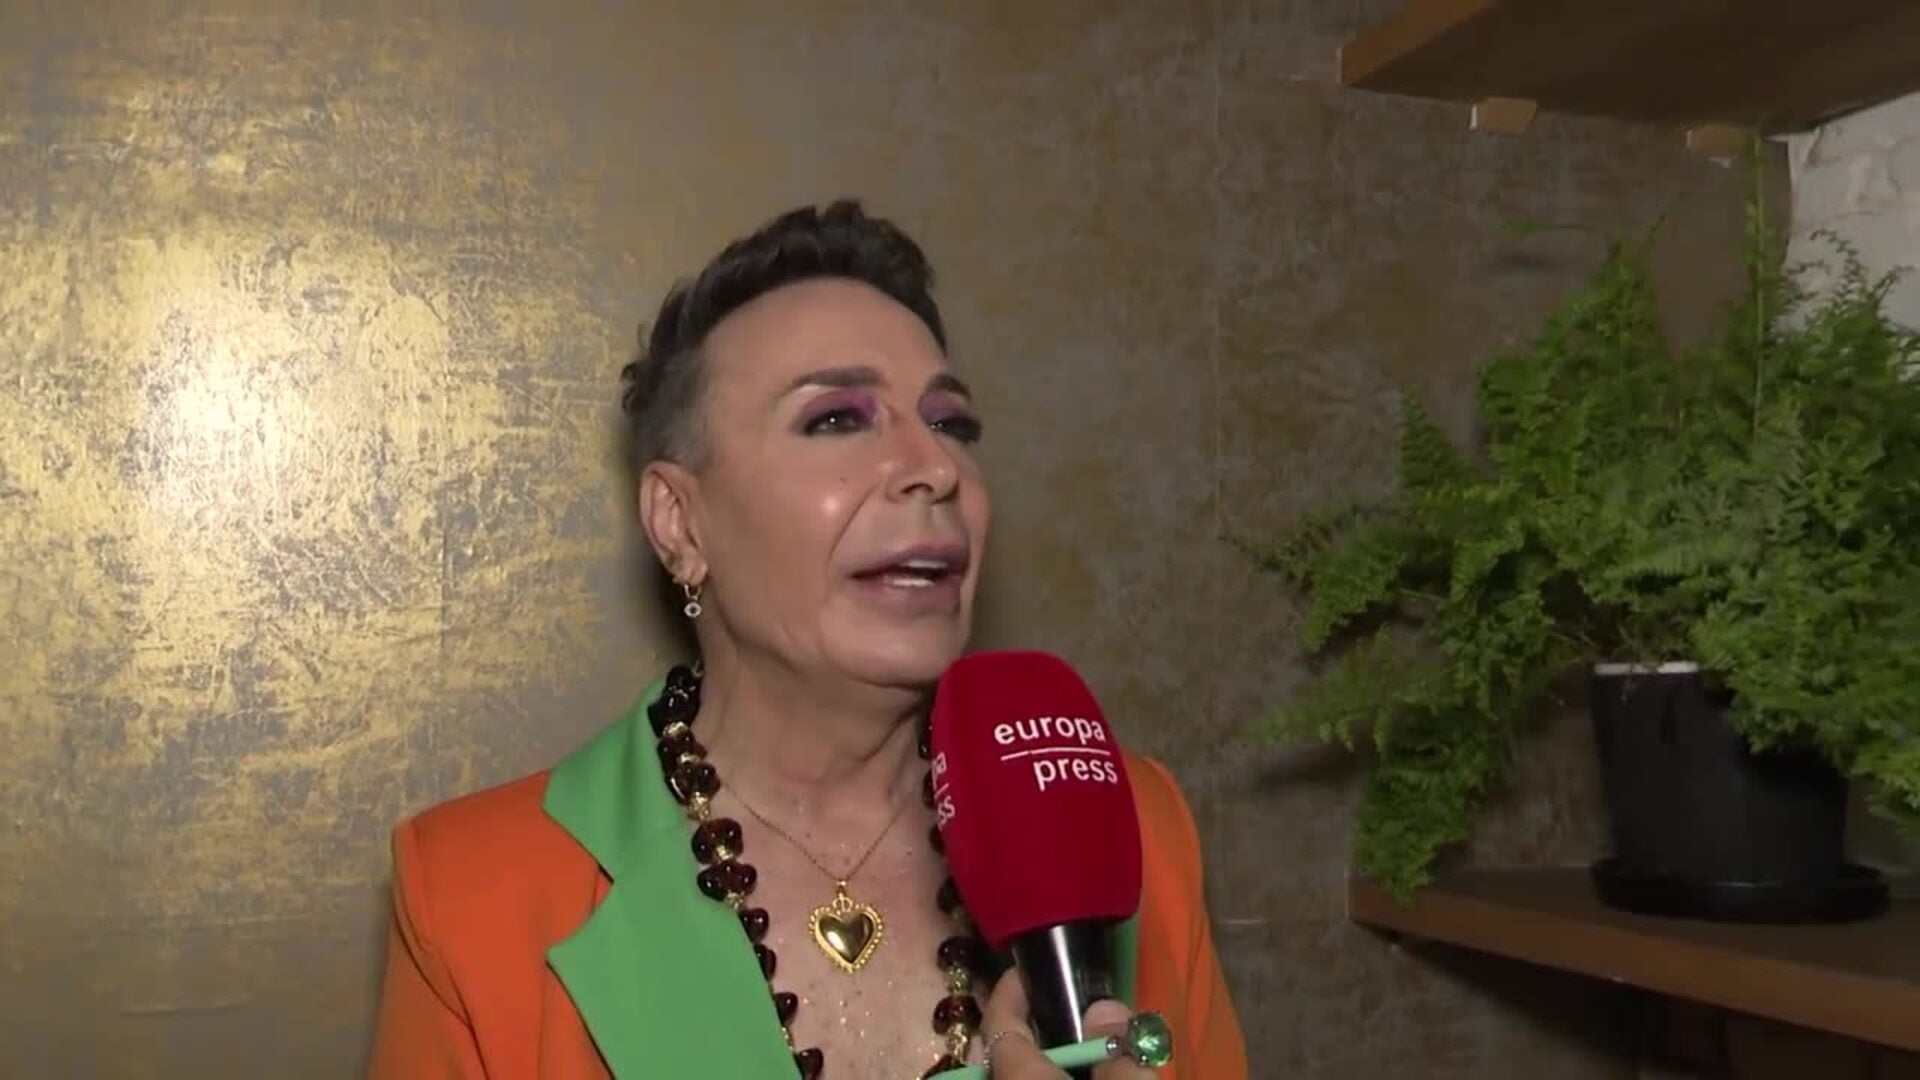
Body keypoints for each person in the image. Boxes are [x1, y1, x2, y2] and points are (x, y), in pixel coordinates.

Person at [367, 201, 1247, 1079]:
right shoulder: (470, 890)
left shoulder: (1133, 829)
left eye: (951, 425)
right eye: (836, 419)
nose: (935, 468)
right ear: (679, 522)